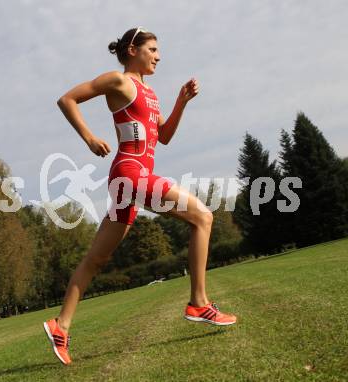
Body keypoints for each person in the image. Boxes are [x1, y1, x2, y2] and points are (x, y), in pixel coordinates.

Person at [43, 27, 237, 366]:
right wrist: (89, 138)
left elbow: (164, 137)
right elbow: (67, 99)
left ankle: (60, 326)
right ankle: (198, 302)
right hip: (131, 174)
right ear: (132, 49)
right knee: (202, 216)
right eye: (152, 49)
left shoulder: (150, 93)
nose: (158, 56)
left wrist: (181, 102)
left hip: (131, 178)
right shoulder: (119, 82)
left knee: (96, 259)